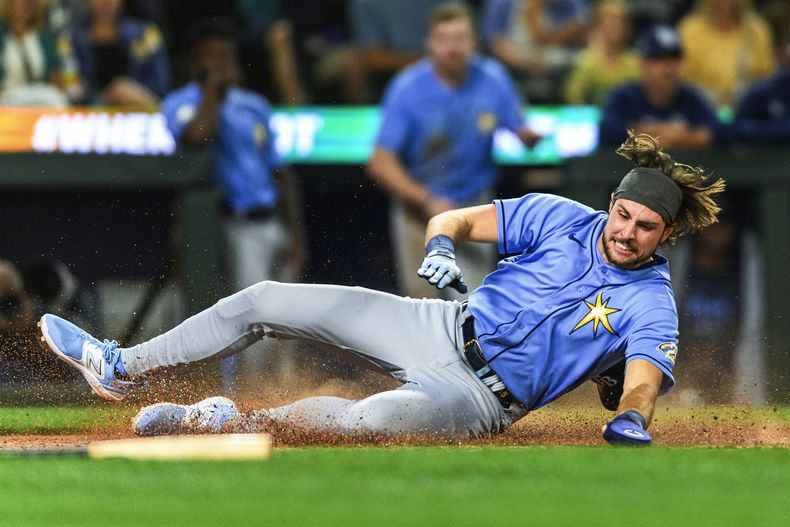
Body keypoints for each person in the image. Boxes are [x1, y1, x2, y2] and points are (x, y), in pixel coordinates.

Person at [38, 131, 725, 446]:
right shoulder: (562, 216)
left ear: (666, 235)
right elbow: (453, 218)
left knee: (366, 423)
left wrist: (631, 417)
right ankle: (121, 365)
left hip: (479, 397)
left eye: (645, 227)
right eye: (623, 215)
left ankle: (218, 422)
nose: (627, 232)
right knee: (265, 297)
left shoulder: (650, 301)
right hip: (438, 325)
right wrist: (440, 246)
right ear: (612, 203)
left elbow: (642, 380)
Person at [159, 20, 306, 388]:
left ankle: (283, 396)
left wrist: (295, 233)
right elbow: (198, 135)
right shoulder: (182, 103)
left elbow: (279, 172)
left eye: (228, 57)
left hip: (272, 221)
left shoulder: (253, 104)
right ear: (196, 61)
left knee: (290, 319)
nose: (224, 64)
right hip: (232, 226)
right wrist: (211, 89)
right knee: (252, 316)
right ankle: (249, 396)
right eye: (214, 57)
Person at [367, 2, 541, 300]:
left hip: (473, 206)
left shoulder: (493, 79)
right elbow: (380, 162)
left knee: (473, 301)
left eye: (460, 38)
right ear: (429, 44)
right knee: (421, 304)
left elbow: (518, 126)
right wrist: (426, 199)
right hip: (419, 209)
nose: (452, 48)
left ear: (473, 42)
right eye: (443, 39)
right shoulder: (407, 89)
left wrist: (527, 136)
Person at [598, 25, 722, 148]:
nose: (668, 69)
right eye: (659, 60)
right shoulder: (625, 98)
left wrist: (683, 137)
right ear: (643, 64)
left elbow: (720, 133)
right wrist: (653, 134)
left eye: (673, 60)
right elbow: (606, 133)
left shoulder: (692, 99)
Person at [65, 0, 171, 109]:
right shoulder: (70, 39)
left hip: (139, 113)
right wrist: (103, 100)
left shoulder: (145, 36)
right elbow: (68, 93)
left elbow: (163, 93)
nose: (106, 2)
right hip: (89, 114)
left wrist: (136, 95)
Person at [677, 0, 775, 107]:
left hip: (746, 106)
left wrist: (745, 98)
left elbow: (766, 76)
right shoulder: (690, 30)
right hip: (701, 106)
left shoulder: (756, 31)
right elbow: (681, 79)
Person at [562, 0, 640, 106]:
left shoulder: (635, 61)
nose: (614, 29)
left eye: (618, 24)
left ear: (626, 29)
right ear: (598, 28)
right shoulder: (587, 60)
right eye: (609, 24)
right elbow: (573, 95)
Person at [0, 0, 71, 107]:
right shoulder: (2, 34)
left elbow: (54, 73)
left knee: (55, 99)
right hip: (6, 99)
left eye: (32, 1)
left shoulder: (43, 36)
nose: (27, 3)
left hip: (37, 99)